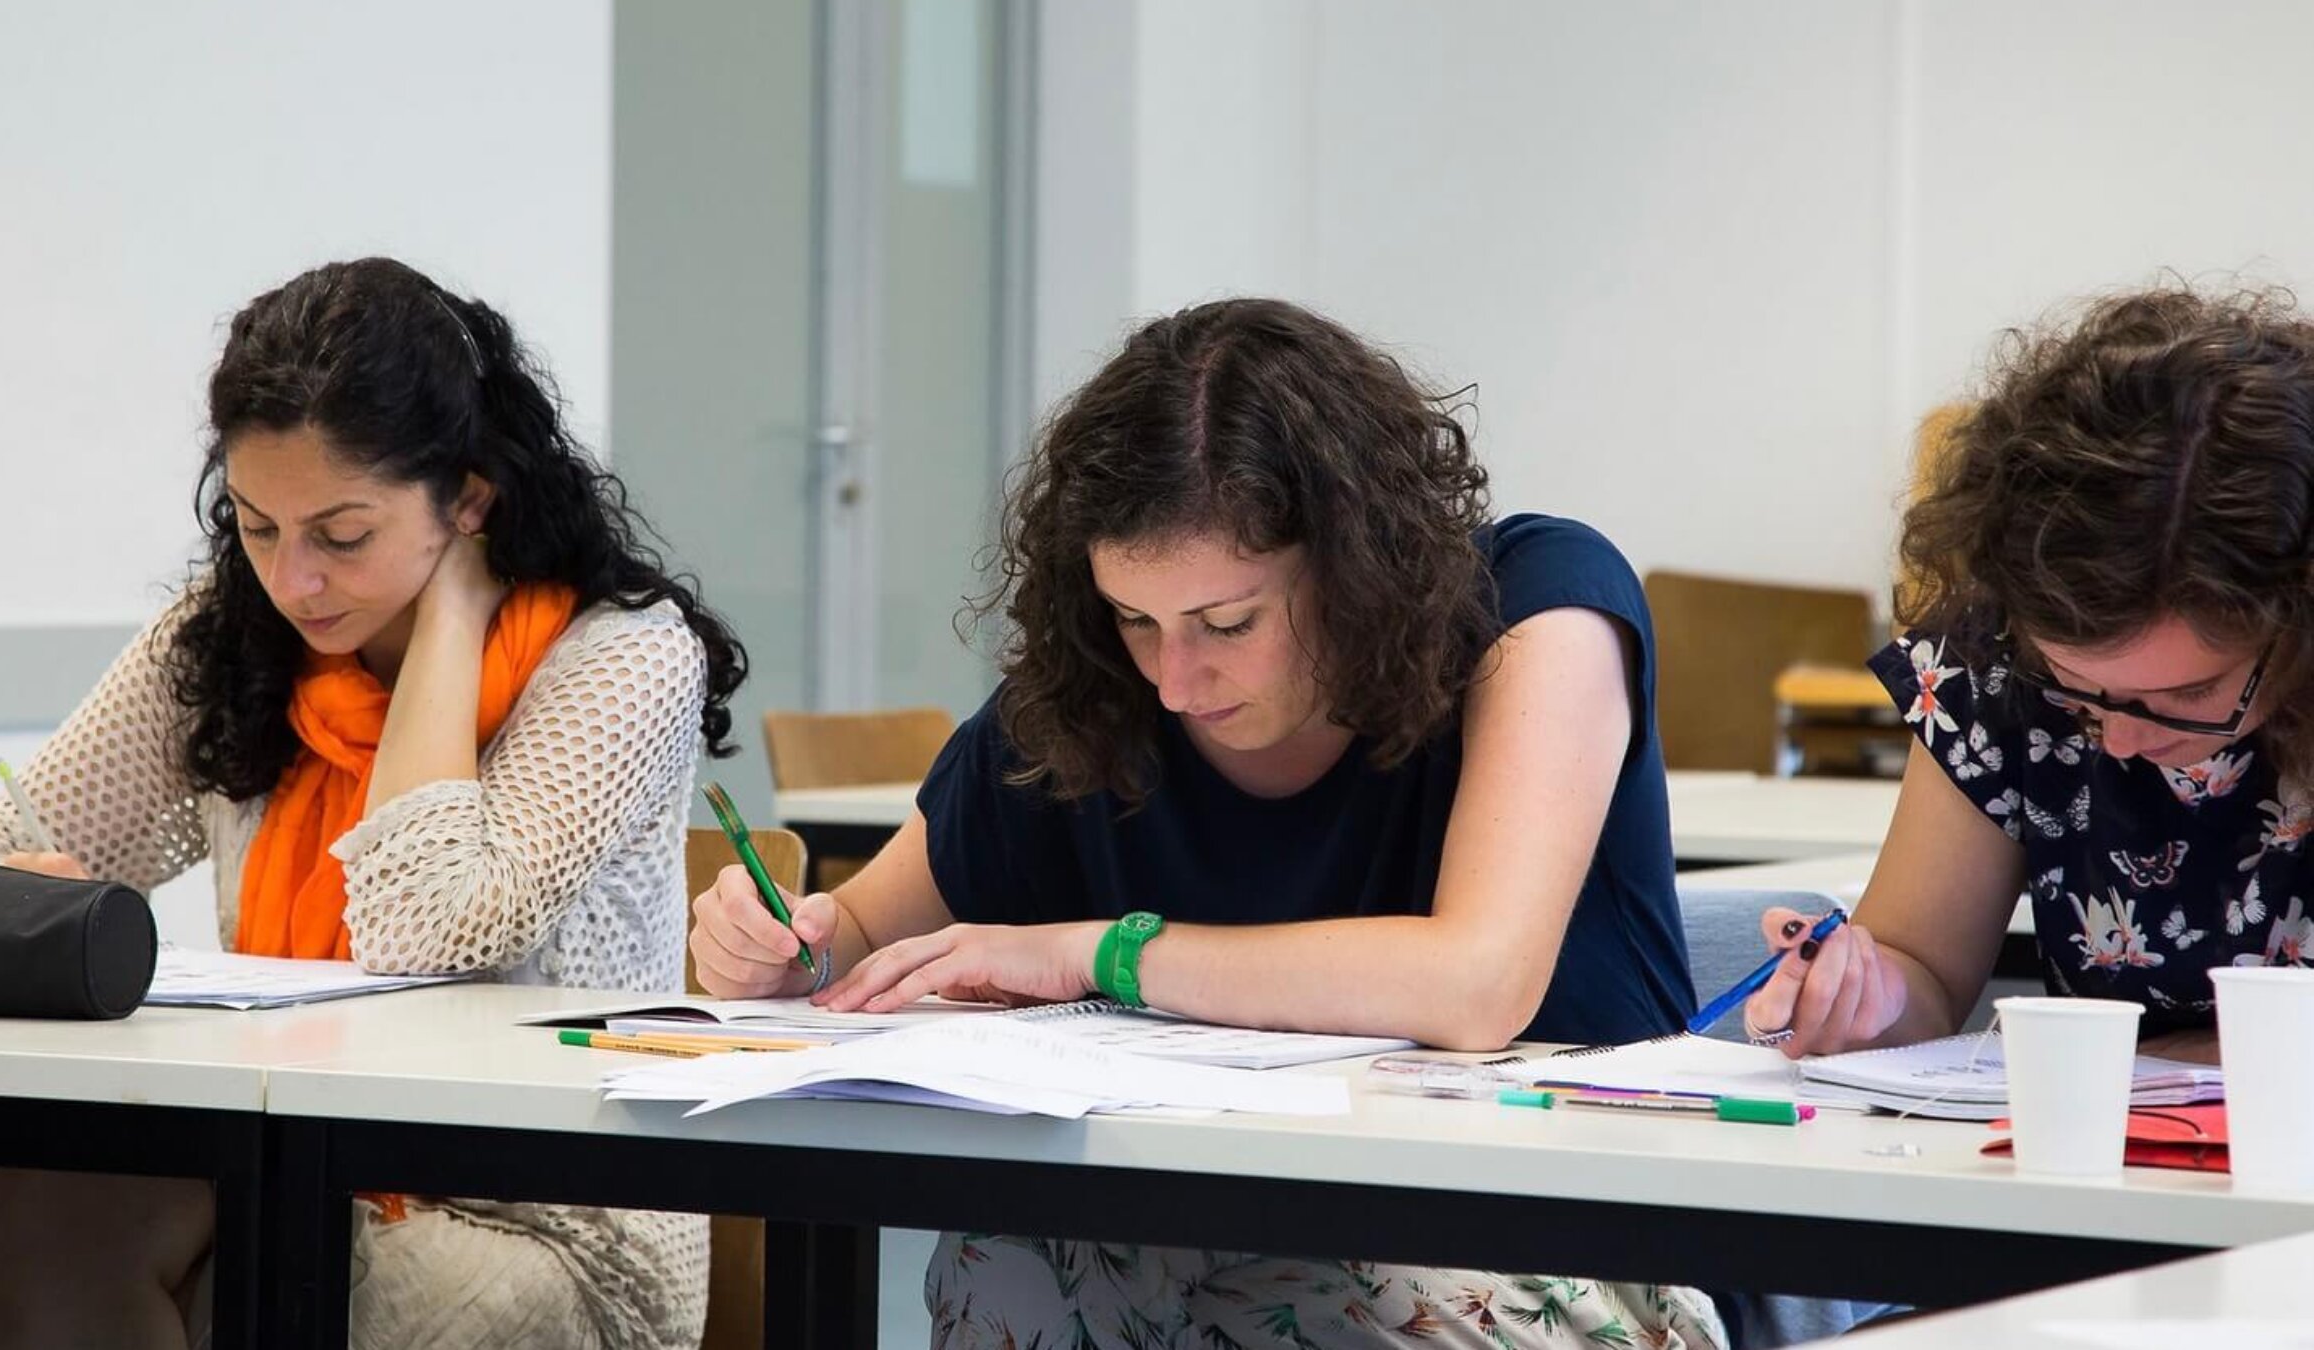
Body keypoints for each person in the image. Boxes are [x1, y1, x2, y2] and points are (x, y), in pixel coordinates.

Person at [692, 298, 1728, 1349]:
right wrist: (793, 961)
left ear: (1354, 562)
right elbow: (867, 934)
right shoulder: (1089, 698)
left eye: (1227, 623)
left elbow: (1476, 983)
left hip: (1561, 1238)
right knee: (1002, 1262)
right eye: (1135, 619)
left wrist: (1105, 952)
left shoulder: (1539, 611)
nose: (1176, 680)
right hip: (1208, 1225)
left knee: (1293, 1313)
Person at [0, 257, 749, 1350]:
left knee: (228, 1283)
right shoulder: (231, 644)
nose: (293, 580)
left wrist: (452, 619)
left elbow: (420, 928)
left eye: (341, 537)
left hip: (552, 1229)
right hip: (281, 1156)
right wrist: (10, 901)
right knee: (72, 1183)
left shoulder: (618, 659)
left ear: (469, 498)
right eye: (258, 527)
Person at [1744, 285, 2312, 1062]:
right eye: (2077, 687)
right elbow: (1926, 971)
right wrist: (1857, 1003)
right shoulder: (1992, 667)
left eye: (2188, 697)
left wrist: (2163, 1059)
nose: (2119, 739)